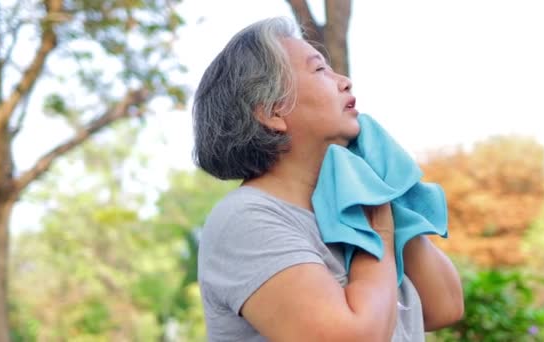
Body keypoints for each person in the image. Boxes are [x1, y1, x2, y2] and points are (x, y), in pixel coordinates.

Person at [192, 17, 464, 341]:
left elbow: (445, 305)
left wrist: (385, 193)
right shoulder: (246, 220)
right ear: (272, 112)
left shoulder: (351, 205)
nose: (345, 81)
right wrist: (376, 234)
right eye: (320, 70)